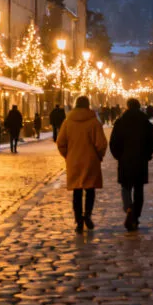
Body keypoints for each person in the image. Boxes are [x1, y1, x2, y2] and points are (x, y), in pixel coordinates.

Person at [56, 95, 108, 232]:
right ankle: (88, 216)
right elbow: (101, 144)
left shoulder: (67, 122)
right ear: (88, 106)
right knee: (90, 190)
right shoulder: (94, 123)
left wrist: (68, 156)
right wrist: (98, 156)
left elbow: (60, 143)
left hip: (74, 162)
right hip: (91, 161)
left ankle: (78, 220)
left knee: (77, 192)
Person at [109, 99, 153, 231]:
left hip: (125, 161)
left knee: (125, 187)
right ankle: (136, 216)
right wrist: (147, 154)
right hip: (140, 161)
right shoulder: (145, 123)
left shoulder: (120, 122)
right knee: (139, 189)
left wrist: (118, 156)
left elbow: (113, 142)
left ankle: (129, 208)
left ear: (127, 107)